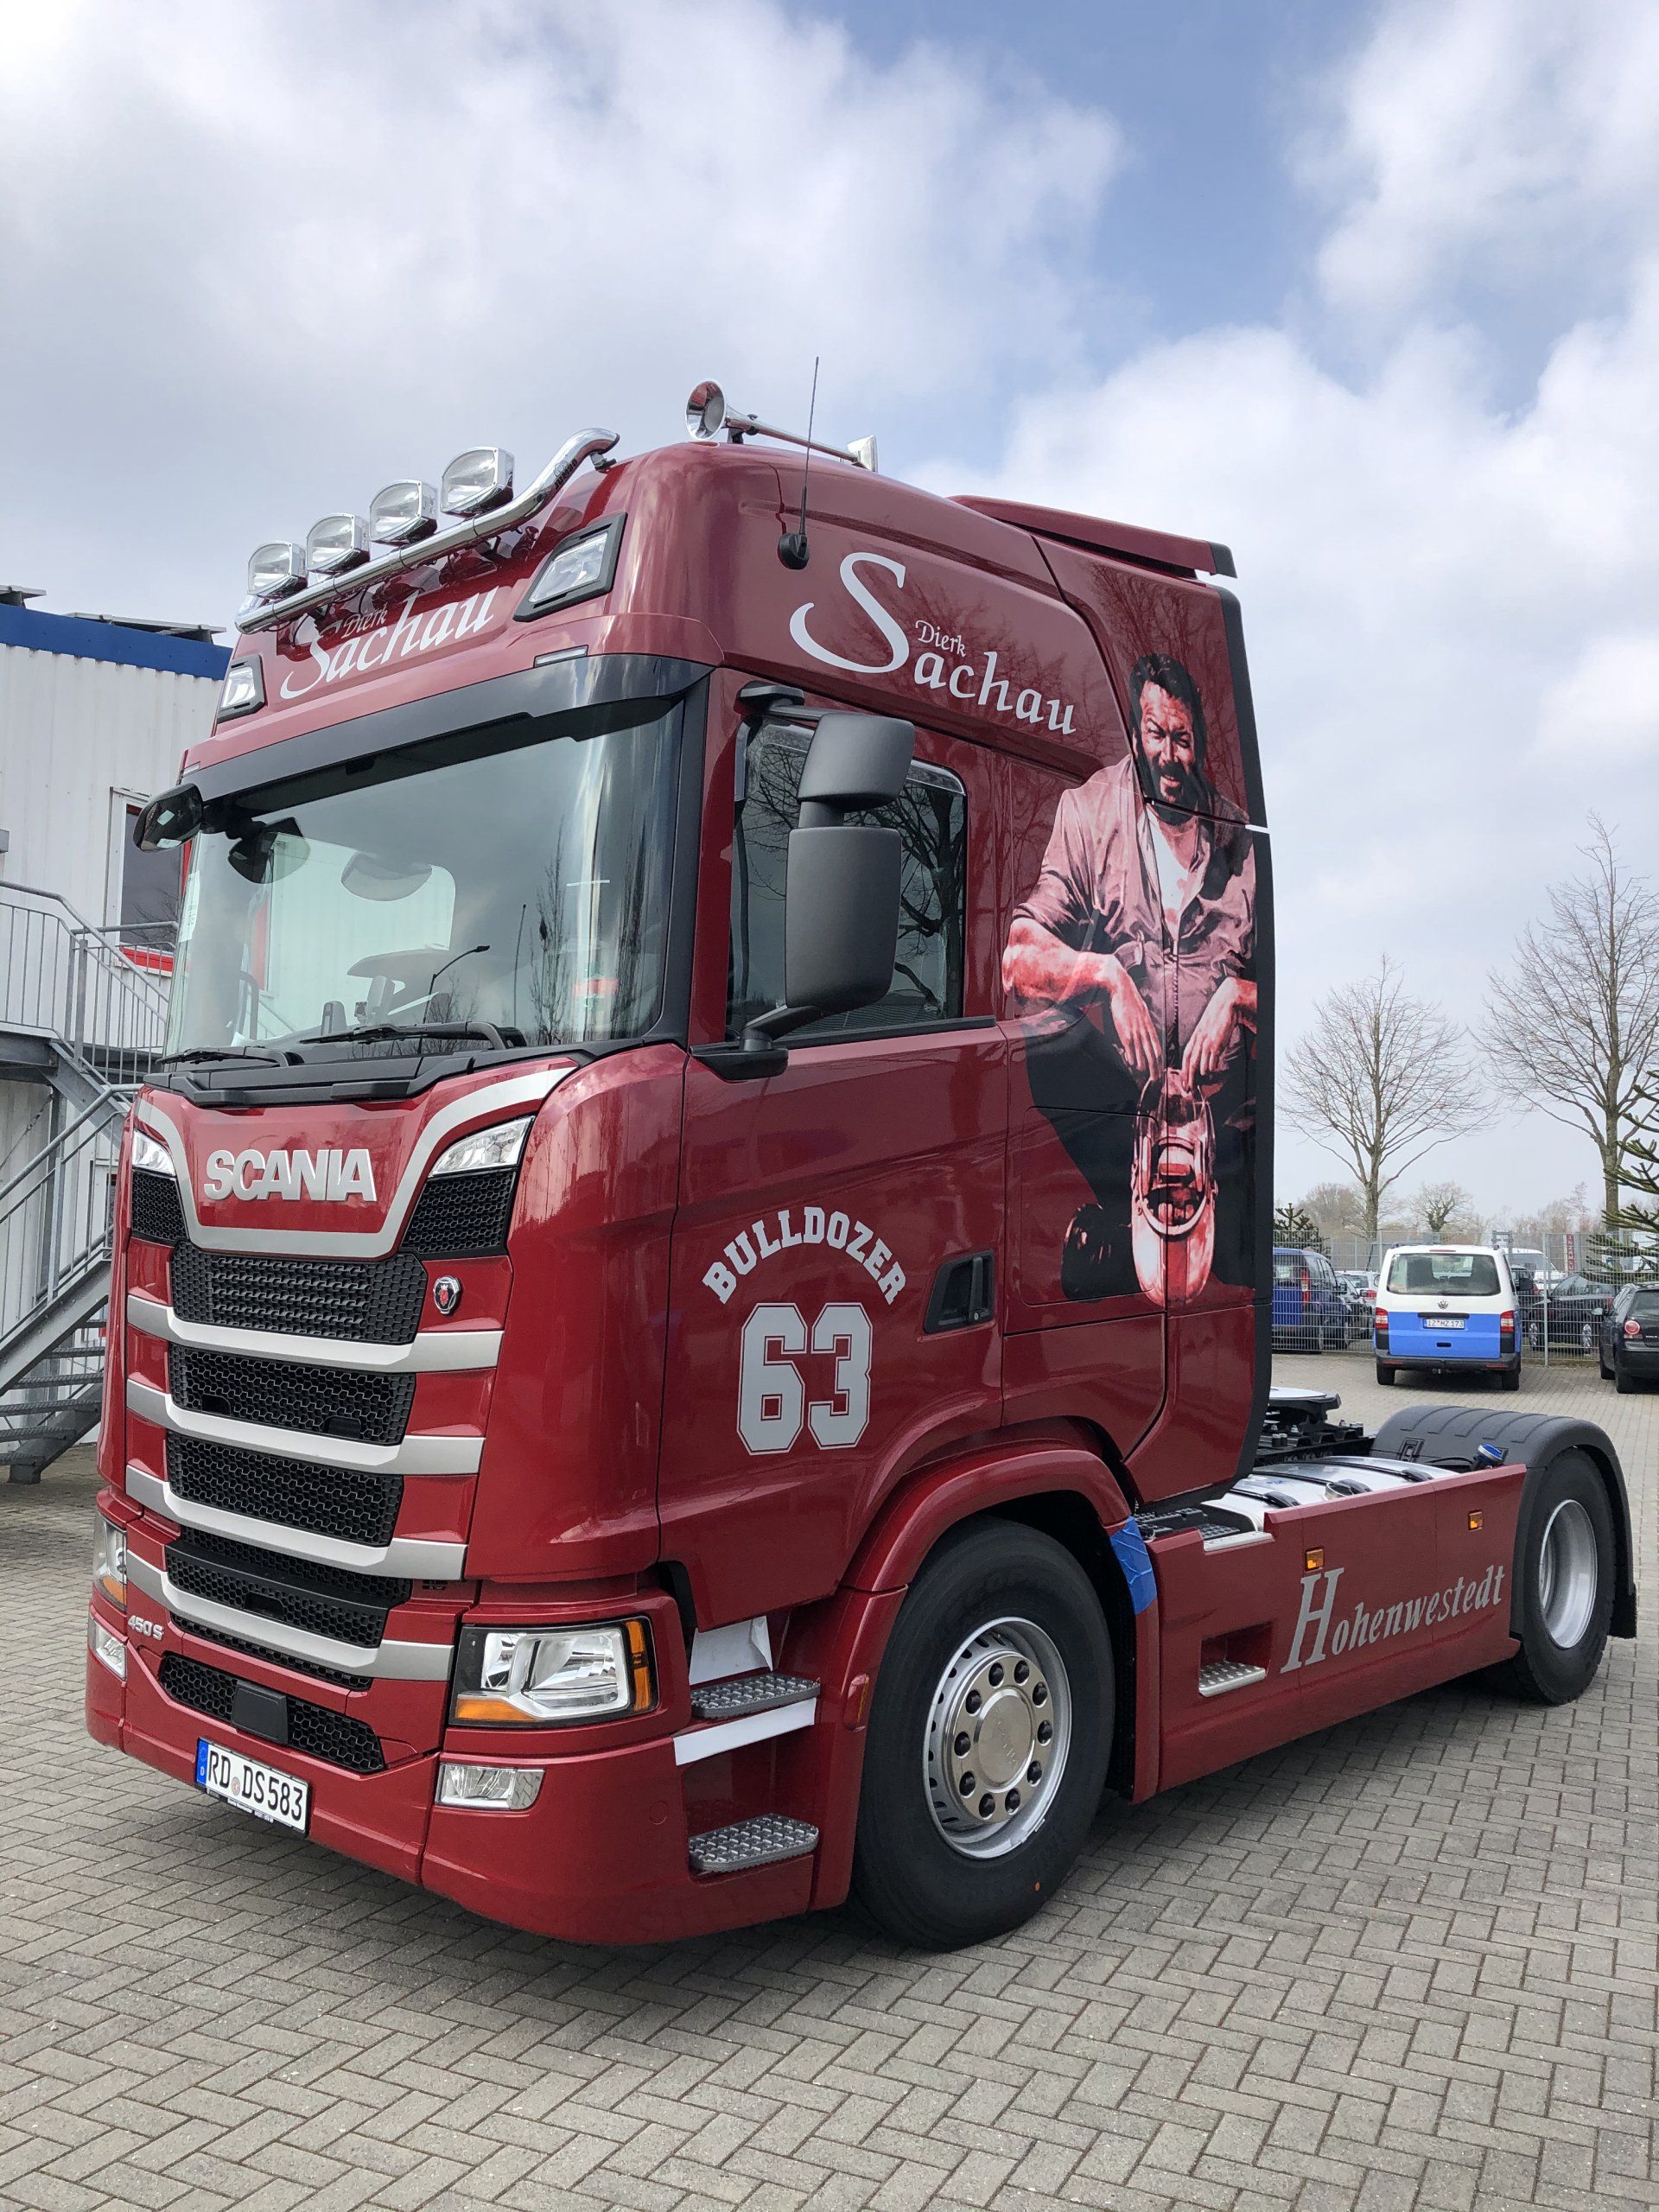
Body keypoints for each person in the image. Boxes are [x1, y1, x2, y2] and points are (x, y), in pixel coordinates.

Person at [1002, 652, 1256, 1299]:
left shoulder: (1241, 844)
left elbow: (1282, 993)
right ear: (1135, 733)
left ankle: (1179, 1226)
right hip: (1124, 1103)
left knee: (1239, 1267)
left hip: (1221, 1105)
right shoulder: (1089, 814)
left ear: (1201, 740)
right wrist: (1105, 975)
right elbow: (1020, 958)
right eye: (1155, 735)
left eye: (1182, 739)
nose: (1169, 757)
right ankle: (1130, 1203)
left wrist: (1237, 995)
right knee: (1043, 1041)